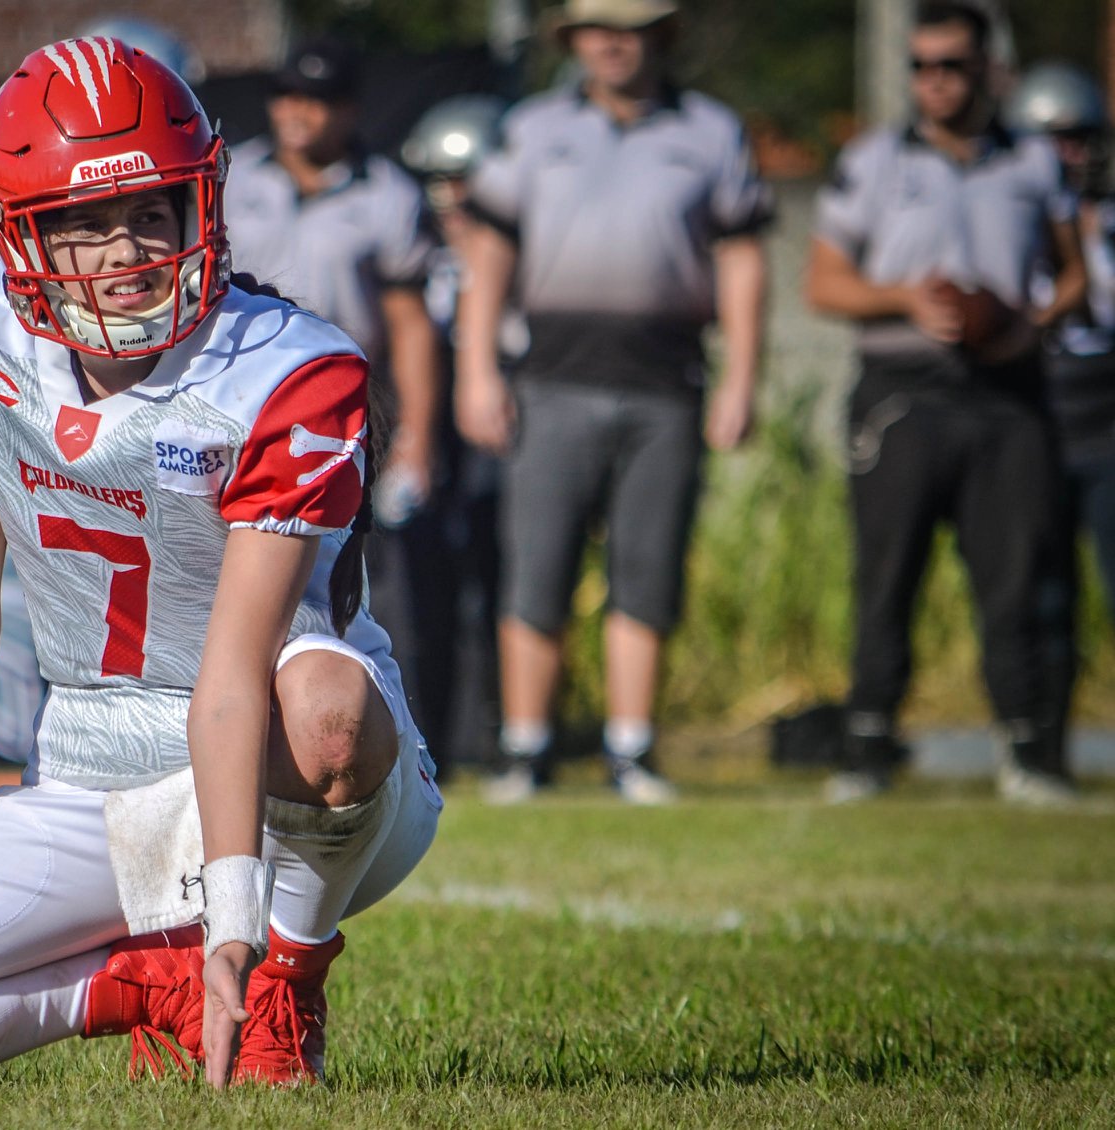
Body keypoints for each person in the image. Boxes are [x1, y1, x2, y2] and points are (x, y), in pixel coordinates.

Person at [0, 38, 441, 1086]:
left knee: (327, 706)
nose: (126, 251)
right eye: (85, 224)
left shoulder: (287, 371)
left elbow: (235, 674)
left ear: (198, 204)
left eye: (151, 211)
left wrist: (241, 925)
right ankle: (122, 982)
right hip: (86, 766)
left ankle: (285, 982)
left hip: (294, 774)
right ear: (16, 233)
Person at [458, 0, 772, 804]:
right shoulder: (533, 128)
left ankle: (631, 750)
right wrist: (477, 371)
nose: (613, 43)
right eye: (597, 28)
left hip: (666, 386)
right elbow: (489, 250)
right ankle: (526, 750)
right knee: (537, 565)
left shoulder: (710, 131)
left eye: (629, 28)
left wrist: (741, 379)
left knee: (647, 568)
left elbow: (741, 259)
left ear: (661, 36)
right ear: (574, 40)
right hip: (550, 379)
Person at [805, 3, 1085, 804]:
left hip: (1005, 395)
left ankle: (1030, 751)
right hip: (903, 393)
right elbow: (822, 281)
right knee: (888, 575)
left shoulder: (1032, 162)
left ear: (987, 69)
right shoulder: (873, 161)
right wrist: (903, 300)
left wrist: (1027, 323)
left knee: (1015, 576)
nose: (935, 82)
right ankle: (868, 746)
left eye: (951, 66)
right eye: (921, 67)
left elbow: (1073, 272)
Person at [224, 36, 443, 587]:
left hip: (344, 411)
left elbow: (411, 325)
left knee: (353, 580)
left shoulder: (390, 195)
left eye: (316, 98)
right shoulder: (233, 178)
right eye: (286, 94)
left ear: (349, 108)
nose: (296, 110)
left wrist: (416, 437)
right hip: (236, 397)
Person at [397, 94, 514, 772]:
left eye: (464, 183)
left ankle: (491, 732)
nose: (450, 200)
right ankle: (432, 724)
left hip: (496, 427)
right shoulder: (417, 249)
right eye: (437, 184)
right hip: (429, 429)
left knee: (495, 577)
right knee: (424, 583)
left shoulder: (511, 248)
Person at [1008, 62, 1115, 781]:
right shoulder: (1010, 210)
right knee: (1042, 597)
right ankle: (1042, 756)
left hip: (1109, 414)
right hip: (1039, 411)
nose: (1067, 154)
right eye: (1052, 139)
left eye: (1078, 139)